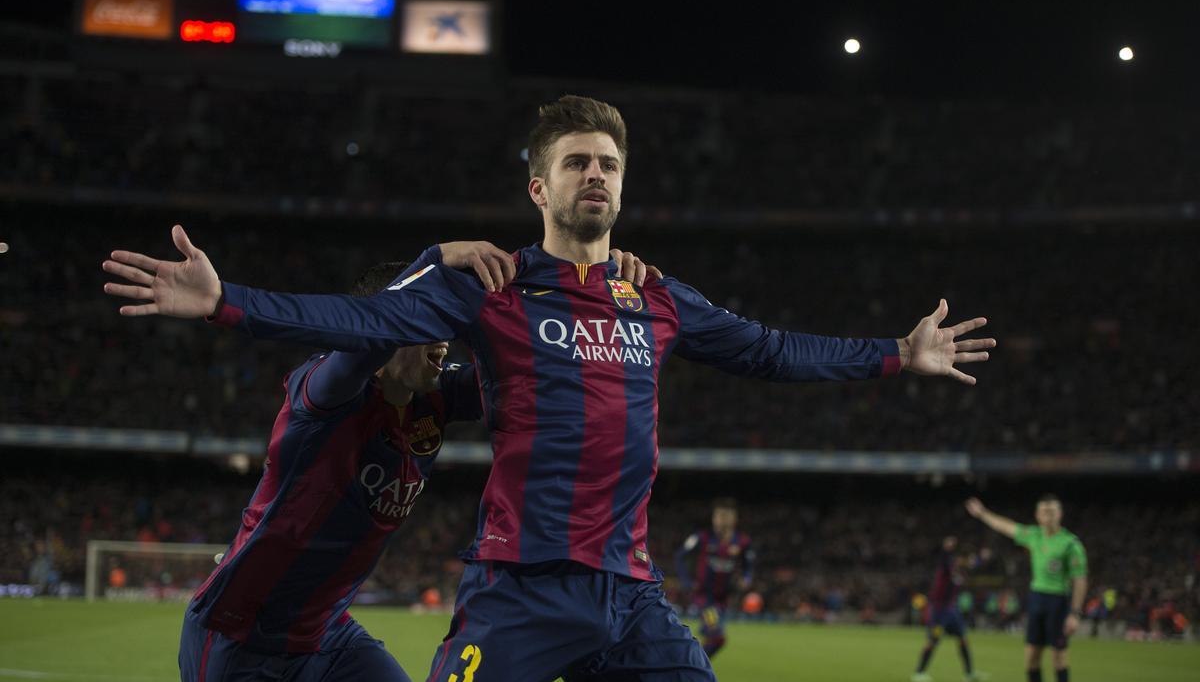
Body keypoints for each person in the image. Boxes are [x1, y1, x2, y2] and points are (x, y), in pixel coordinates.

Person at [105, 95, 995, 681]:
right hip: (522, 587)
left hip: (633, 591)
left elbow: (769, 350)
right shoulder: (492, 290)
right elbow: (361, 324)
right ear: (539, 185)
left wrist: (894, 353)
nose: (595, 173)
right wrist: (228, 304)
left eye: (608, 161)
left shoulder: (657, 297)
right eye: (575, 161)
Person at [175, 245, 653, 682]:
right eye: (422, 322)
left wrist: (597, 281)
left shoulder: (434, 398)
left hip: (324, 636)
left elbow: (544, 362)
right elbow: (365, 341)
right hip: (237, 637)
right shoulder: (324, 393)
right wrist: (436, 258)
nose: (442, 336)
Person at [966, 495, 1088, 682]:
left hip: (1058, 601)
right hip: (1037, 598)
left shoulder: (1071, 544)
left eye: (1052, 511)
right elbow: (1005, 526)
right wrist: (982, 513)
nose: (1047, 515)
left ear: (1060, 514)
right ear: (1037, 515)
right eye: (1044, 511)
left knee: (1059, 657)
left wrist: (1075, 613)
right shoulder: (1033, 535)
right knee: (1031, 656)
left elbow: (1080, 580)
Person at [674, 498, 754, 658]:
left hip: (723, 600)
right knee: (717, 638)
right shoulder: (702, 537)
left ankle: (690, 665)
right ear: (713, 519)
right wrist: (686, 581)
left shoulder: (743, 542)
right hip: (704, 598)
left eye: (726, 516)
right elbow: (680, 556)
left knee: (711, 638)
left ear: (734, 519)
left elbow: (748, 564)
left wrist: (746, 578)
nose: (722, 521)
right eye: (719, 516)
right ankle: (693, 668)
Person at [911, 535, 986, 682]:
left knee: (963, 639)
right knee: (933, 641)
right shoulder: (947, 568)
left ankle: (969, 674)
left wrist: (982, 558)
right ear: (960, 558)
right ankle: (918, 673)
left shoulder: (960, 571)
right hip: (938, 610)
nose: (970, 562)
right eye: (968, 558)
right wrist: (946, 549)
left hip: (951, 611)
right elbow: (944, 559)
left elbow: (974, 564)